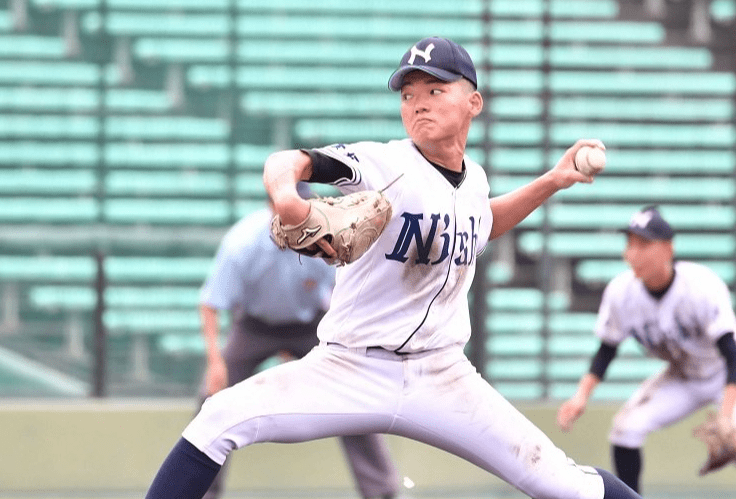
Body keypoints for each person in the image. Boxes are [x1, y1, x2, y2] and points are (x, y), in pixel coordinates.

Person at [145, 36, 641, 499]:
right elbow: (287, 161)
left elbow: (483, 222)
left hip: (444, 375)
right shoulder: (383, 164)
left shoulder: (474, 182)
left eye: (434, 88)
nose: (418, 102)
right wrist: (288, 201)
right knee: (219, 418)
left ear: (475, 102)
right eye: (407, 93)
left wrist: (553, 180)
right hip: (349, 366)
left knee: (567, 486)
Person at [556, 206, 736, 499]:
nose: (633, 253)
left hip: (729, 370)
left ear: (668, 250)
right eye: (630, 244)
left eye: (644, 244)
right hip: (684, 374)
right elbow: (606, 350)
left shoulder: (700, 286)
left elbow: (732, 355)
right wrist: (581, 396)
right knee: (626, 429)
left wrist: (726, 415)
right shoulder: (621, 293)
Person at [194, 195, 401, 499]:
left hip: (310, 326)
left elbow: (343, 294)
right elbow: (211, 303)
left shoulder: (324, 241)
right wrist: (215, 362)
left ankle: (383, 492)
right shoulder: (243, 243)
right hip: (255, 326)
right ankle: (200, 492)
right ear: (272, 207)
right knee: (211, 399)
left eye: (302, 209)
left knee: (352, 395)